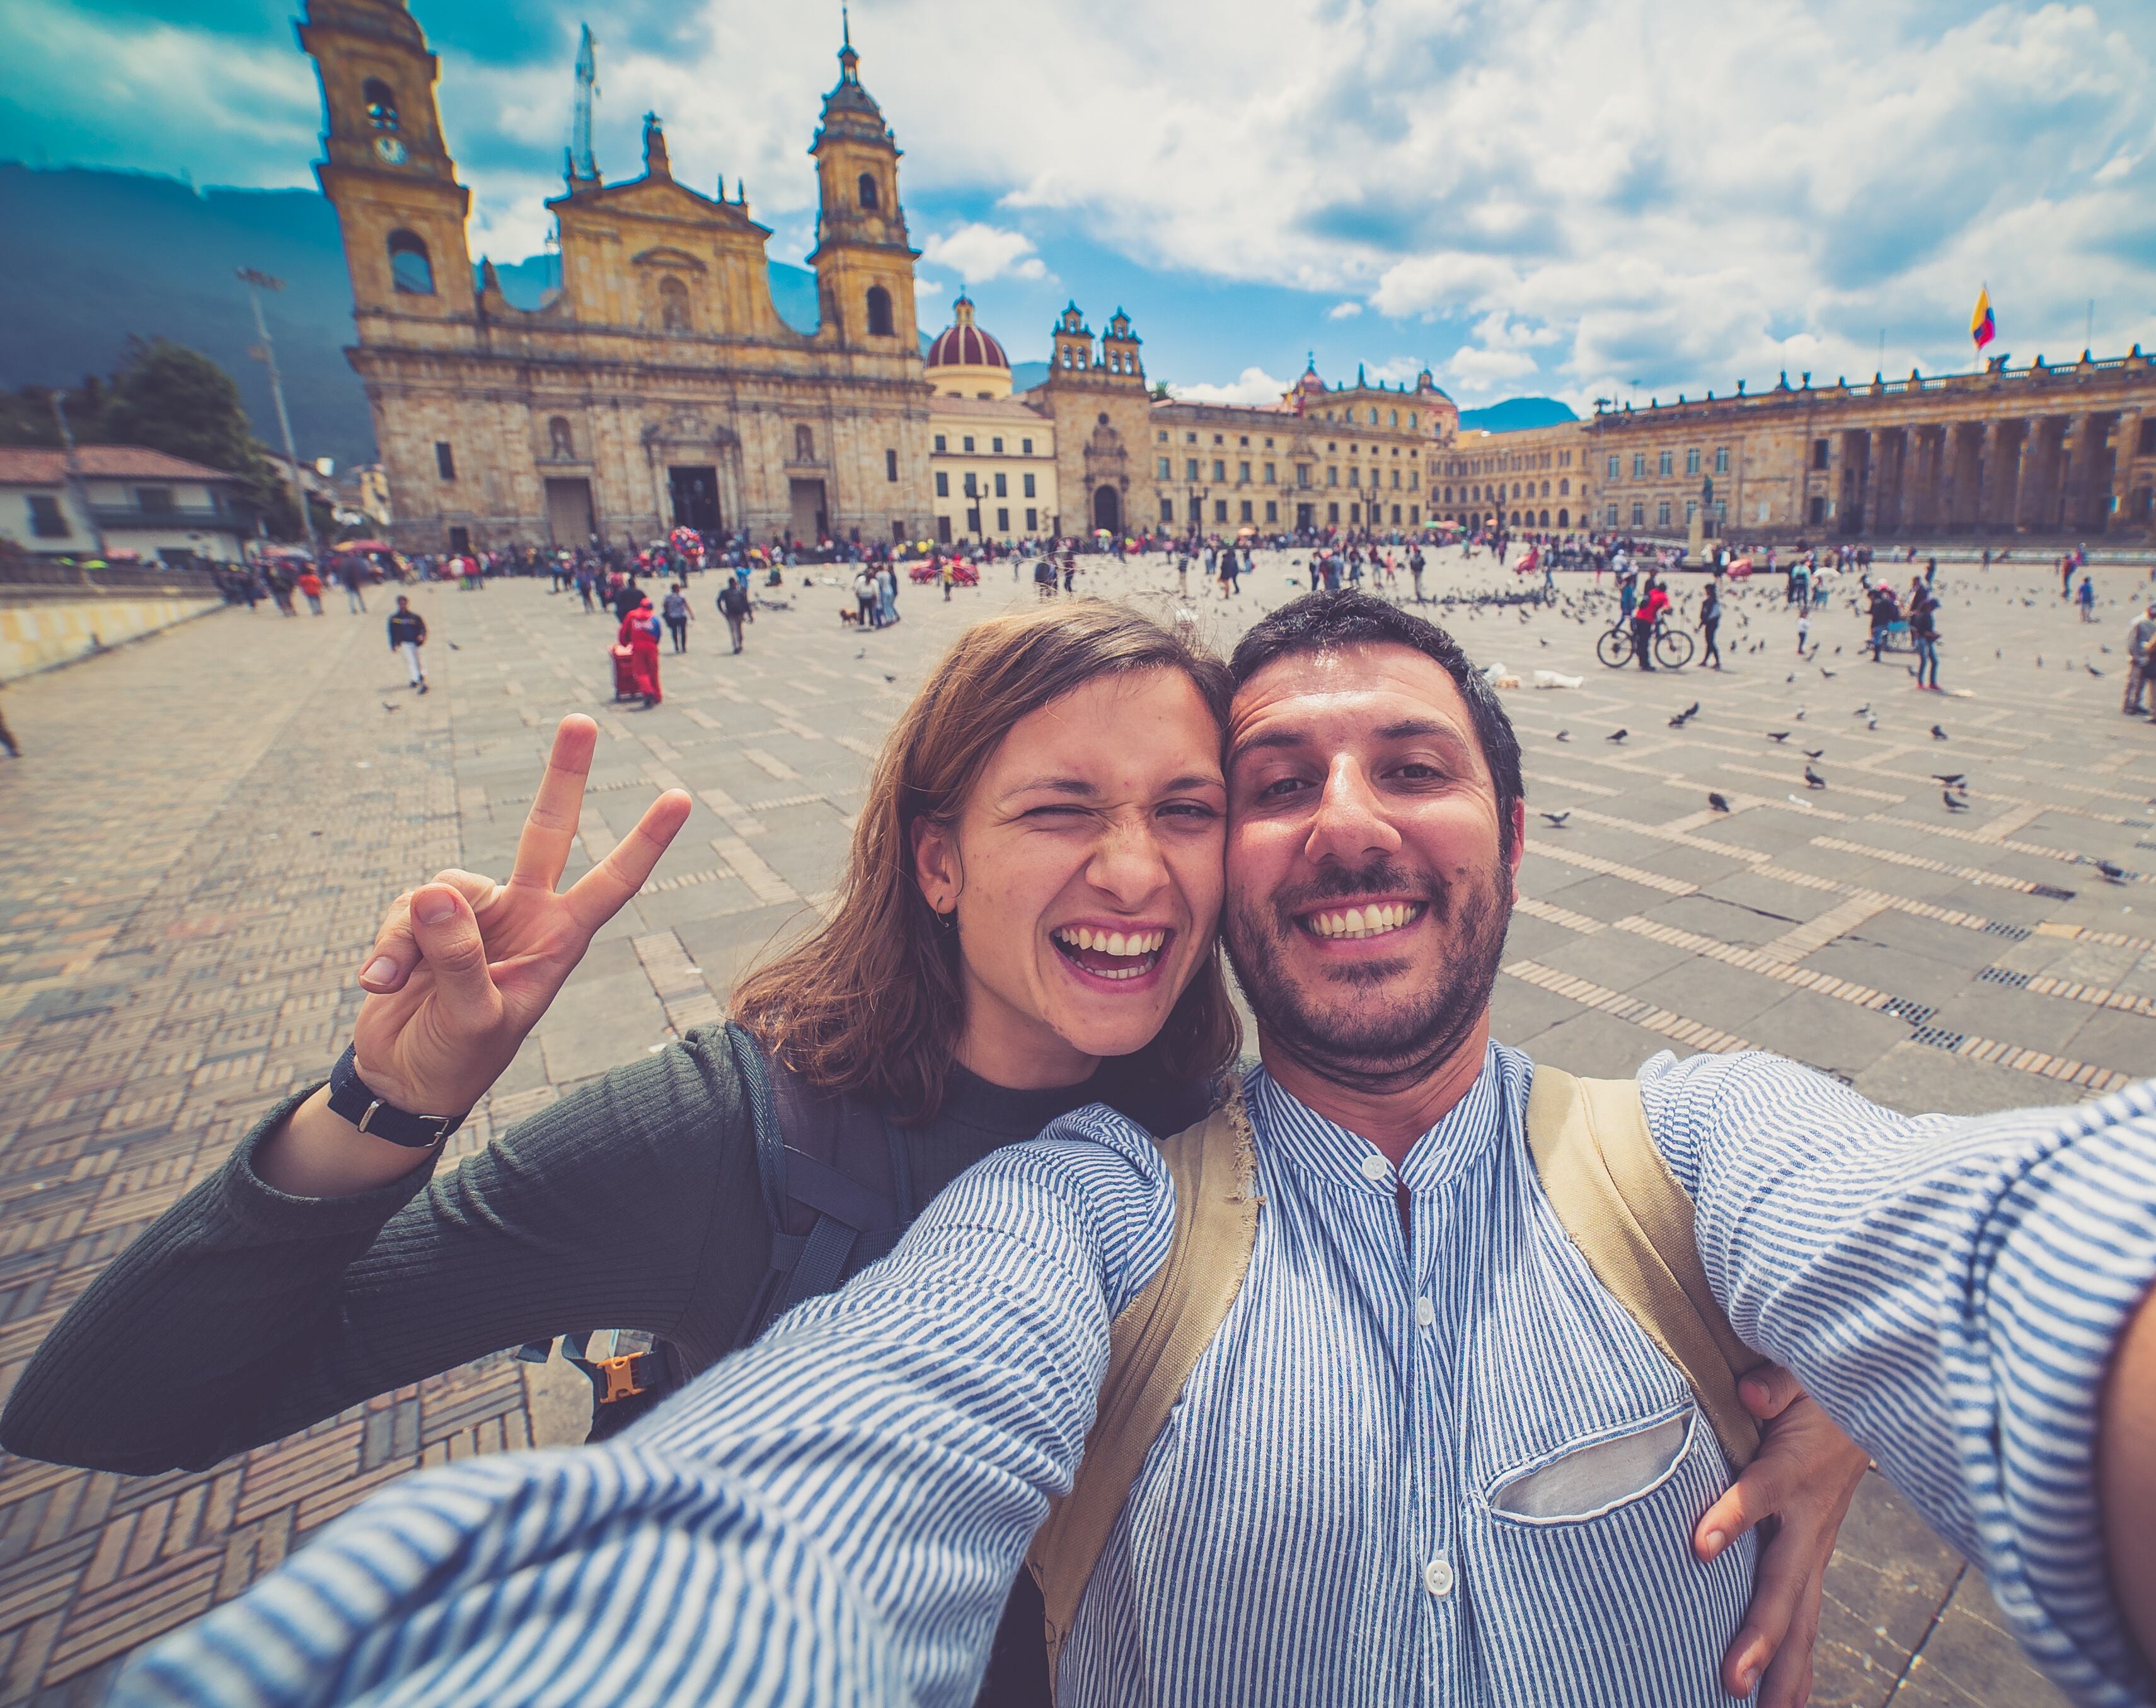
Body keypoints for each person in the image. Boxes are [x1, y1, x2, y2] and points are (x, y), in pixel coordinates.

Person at [125, 592, 2156, 1708]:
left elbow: (1991, 1249)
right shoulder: (1034, 1199)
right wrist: (398, 1101)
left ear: (1511, 835)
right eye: (1264, 786)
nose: (1309, 831)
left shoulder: (1700, 1154)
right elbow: (822, 1475)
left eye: (1408, 764)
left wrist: (1859, 1392)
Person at [4, 609, 1283, 1703]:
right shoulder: (731, 1137)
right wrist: (387, 1103)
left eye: (1186, 810)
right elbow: (113, 1406)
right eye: (1059, 811)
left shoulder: (1227, 1124)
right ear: (938, 862)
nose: (1135, 870)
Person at [616, 596, 664, 709]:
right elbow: (658, 634)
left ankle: (648, 692)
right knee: (654, 671)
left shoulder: (632, 616)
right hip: (651, 647)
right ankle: (657, 695)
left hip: (637, 648)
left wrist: (624, 643)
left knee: (641, 672)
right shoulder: (654, 618)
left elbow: (623, 631)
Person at [2121, 601, 2156, 715]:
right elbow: (2131, 640)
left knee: (2141, 683)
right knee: (2132, 683)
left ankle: (2136, 704)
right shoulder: (2139, 622)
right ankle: (2127, 706)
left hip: (2148, 657)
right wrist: (2134, 655)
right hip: (2137, 658)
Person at [386, 595, 427, 695]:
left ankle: (421, 675)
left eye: (404, 603)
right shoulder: (394, 619)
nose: (402, 605)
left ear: (407, 604)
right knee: (409, 661)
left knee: (419, 660)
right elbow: (391, 632)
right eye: (400, 604)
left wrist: (422, 636)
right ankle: (414, 679)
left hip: (415, 642)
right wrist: (393, 644)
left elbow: (422, 628)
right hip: (404, 643)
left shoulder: (415, 617)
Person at [1632, 572, 1668, 671]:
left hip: (1638, 616)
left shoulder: (1652, 592)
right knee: (1645, 642)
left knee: (1640, 640)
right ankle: (1645, 664)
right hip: (1646, 620)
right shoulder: (1663, 596)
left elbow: (1641, 599)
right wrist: (1669, 610)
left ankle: (1640, 659)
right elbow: (1666, 608)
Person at [1910, 582, 1939, 691]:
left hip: (1927, 640)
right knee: (1925, 661)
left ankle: (1931, 682)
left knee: (1933, 661)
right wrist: (1934, 634)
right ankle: (1923, 682)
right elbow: (1922, 631)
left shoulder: (1923, 614)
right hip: (1923, 640)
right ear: (1930, 607)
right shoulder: (1924, 616)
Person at [715, 573, 752, 653]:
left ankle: (737, 646)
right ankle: (738, 645)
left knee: (734, 630)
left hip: (731, 614)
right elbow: (746, 604)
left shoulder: (725, 592)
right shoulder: (739, 592)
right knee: (738, 630)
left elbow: (718, 601)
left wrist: (722, 611)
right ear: (734, 583)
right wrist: (750, 615)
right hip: (738, 613)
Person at [1697, 576, 1722, 669]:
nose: (1706, 591)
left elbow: (1708, 613)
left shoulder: (1711, 601)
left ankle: (1717, 662)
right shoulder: (1712, 599)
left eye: (1707, 590)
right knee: (1709, 642)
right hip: (1712, 623)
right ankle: (1706, 660)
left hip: (1711, 623)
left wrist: (1702, 623)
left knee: (1710, 642)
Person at [661, 582, 691, 655]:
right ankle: (680, 647)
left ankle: (680, 646)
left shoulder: (668, 596)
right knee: (680, 632)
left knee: (677, 632)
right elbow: (686, 605)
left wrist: (668, 612)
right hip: (678, 616)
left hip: (676, 616)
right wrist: (691, 614)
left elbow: (665, 605)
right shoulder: (681, 596)